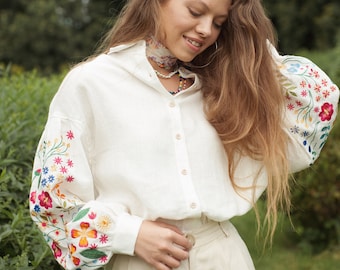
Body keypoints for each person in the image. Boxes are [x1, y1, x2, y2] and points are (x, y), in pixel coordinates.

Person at [29, 0, 339, 269]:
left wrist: (246, 40)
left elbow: (316, 101)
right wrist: (129, 233)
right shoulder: (91, 84)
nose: (206, 29)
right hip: (139, 261)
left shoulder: (223, 85)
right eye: (195, 11)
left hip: (224, 257)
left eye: (219, 23)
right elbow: (53, 205)